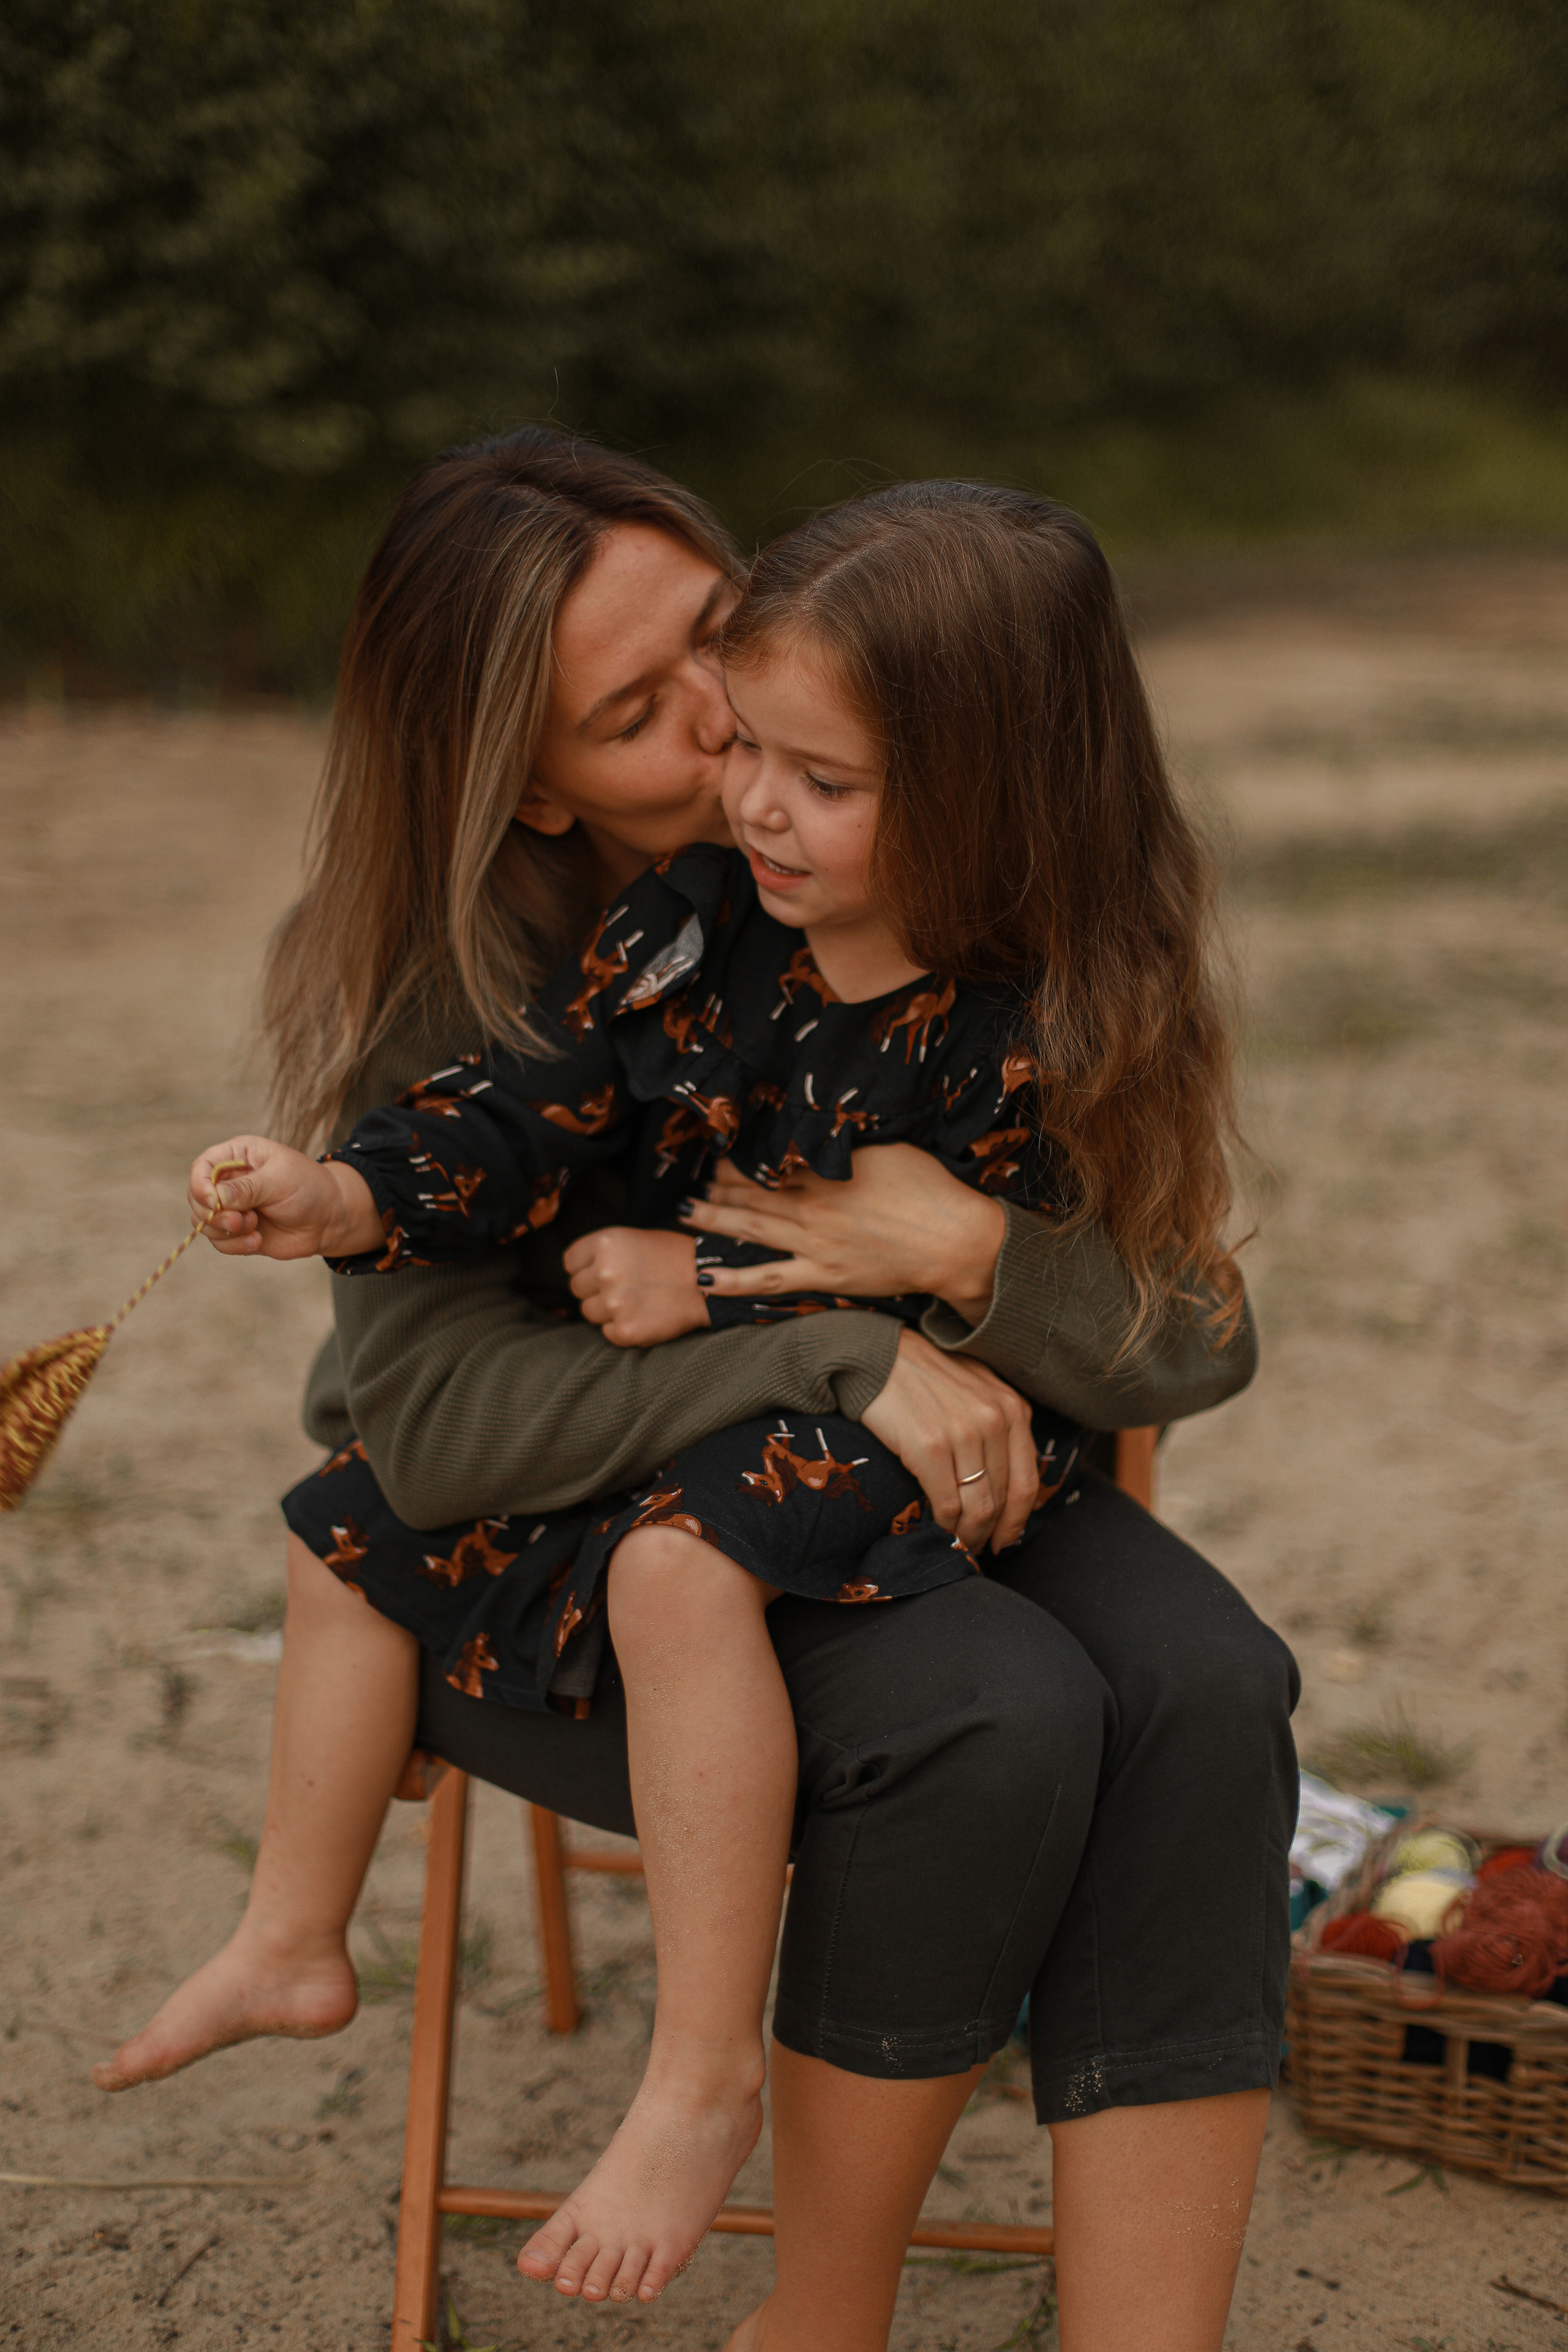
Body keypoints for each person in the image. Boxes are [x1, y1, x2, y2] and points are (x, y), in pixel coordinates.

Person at [96, 430, 1295, 2352]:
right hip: (599, 1550)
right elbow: (434, 1430)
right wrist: (833, 1336)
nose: (726, 735)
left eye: (725, 656)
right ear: (532, 789)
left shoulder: (989, 922)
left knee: (1212, 1683)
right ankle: (811, 2308)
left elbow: (1190, 1326)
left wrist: (963, 1259)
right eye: (647, 718)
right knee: (994, 1711)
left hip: (916, 1469)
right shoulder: (522, 984)